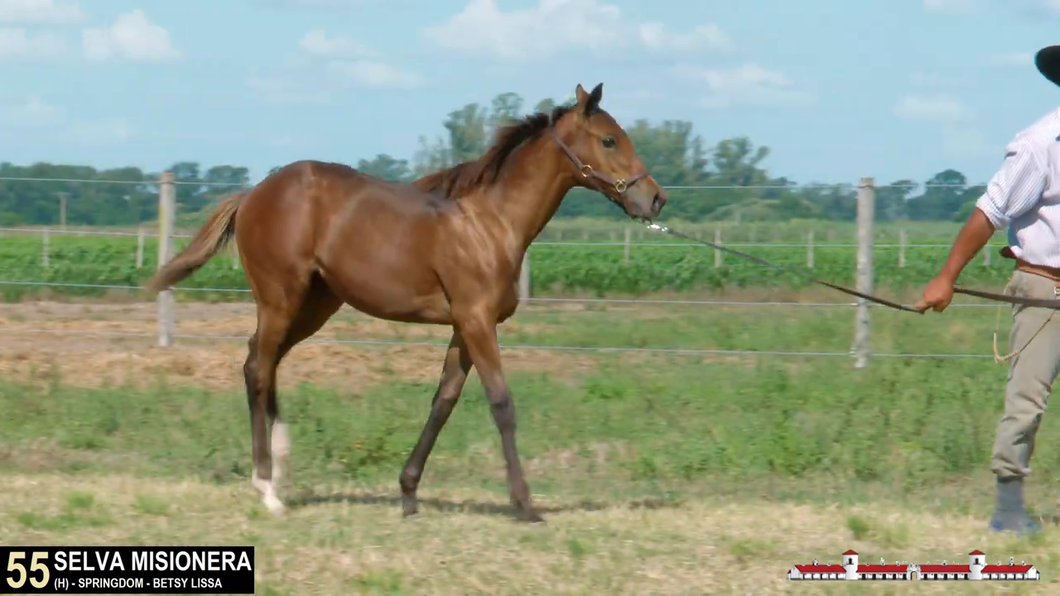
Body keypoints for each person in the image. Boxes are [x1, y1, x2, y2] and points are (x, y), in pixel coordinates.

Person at [914, 44, 1060, 535]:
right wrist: (946, 277)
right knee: (1027, 400)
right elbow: (990, 212)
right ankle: (1009, 509)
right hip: (1046, 288)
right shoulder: (1041, 143)